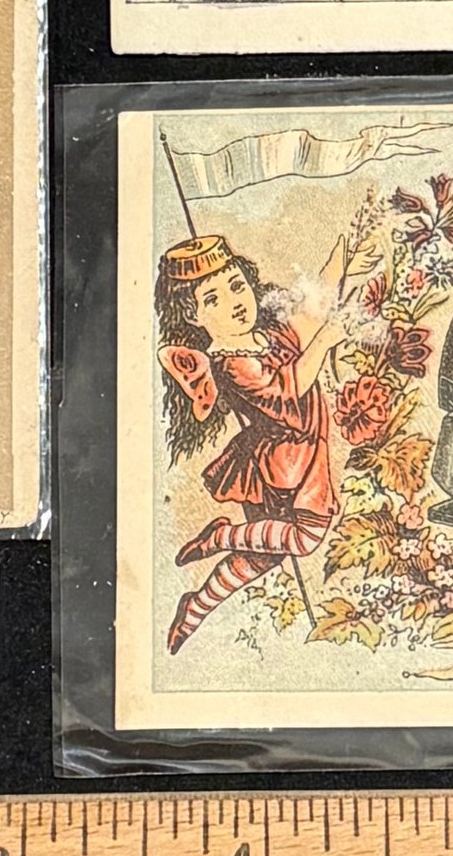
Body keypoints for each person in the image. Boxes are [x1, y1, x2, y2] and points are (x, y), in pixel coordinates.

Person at [154, 231, 363, 653]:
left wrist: (341, 257)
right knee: (303, 539)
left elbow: (309, 314)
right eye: (213, 299)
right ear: (193, 316)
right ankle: (221, 537)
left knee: (263, 556)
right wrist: (326, 341)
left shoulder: (267, 336)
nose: (234, 302)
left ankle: (195, 608)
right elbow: (289, 390)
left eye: (236, 286)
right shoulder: (232, 362)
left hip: (304, 449)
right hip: (285, 462)